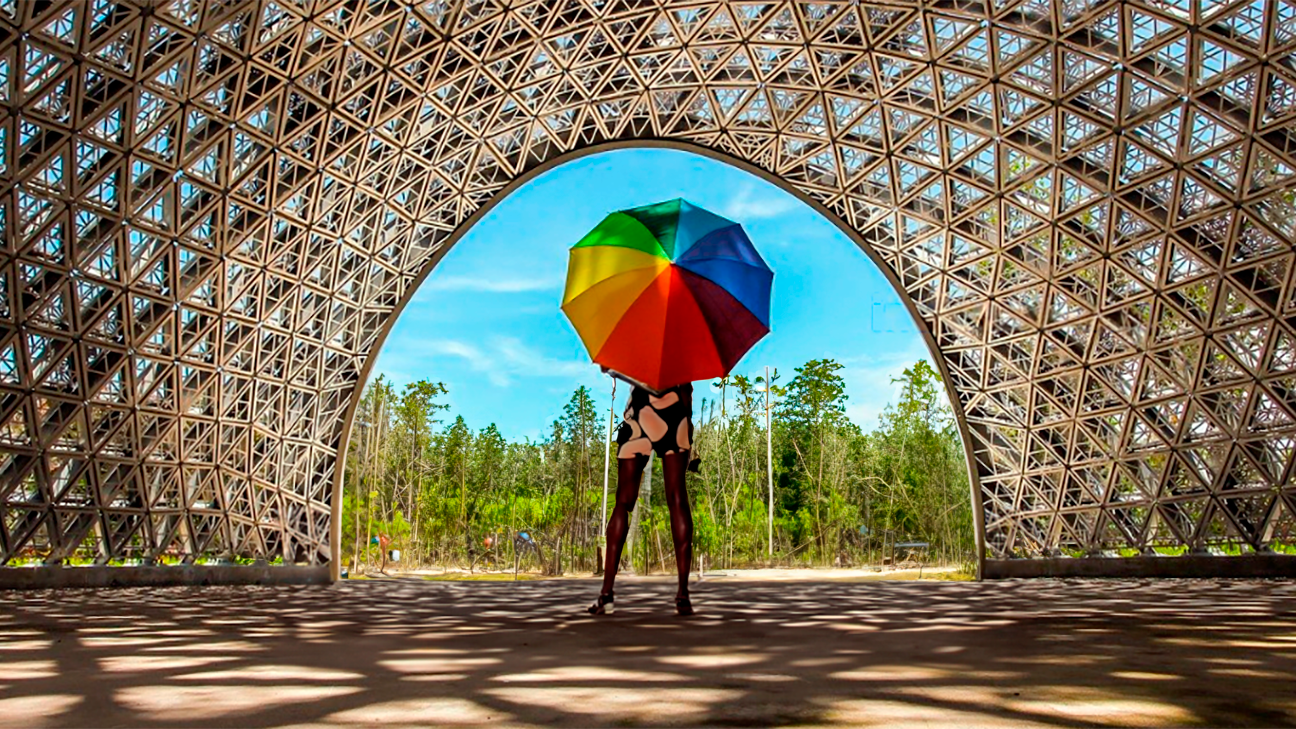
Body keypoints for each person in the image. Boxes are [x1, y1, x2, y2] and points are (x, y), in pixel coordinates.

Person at [588, 381, 700, 616]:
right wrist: (687, 424)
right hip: (675, 412)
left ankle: (606, 594)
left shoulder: (636, 346)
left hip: (640, 412)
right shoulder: (685, 348)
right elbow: (686, 391)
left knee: (623, 503)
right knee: (677, 498)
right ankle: (683, 595)